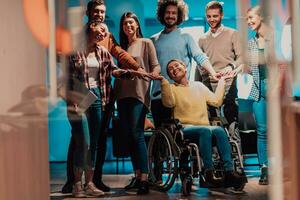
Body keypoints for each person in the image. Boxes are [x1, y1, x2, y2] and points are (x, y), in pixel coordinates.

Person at [62, 0, 152, 193]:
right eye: (96, 11)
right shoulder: (77, 37)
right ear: (88, 12)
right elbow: (66, 70)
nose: (100, 15)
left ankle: (93, 181)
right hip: (81, 94)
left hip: (100, 95)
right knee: (79, 139)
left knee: (96, 140)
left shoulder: (106, 41)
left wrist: (138, 70)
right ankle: (73, 182)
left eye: (103, 12)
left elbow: (118, 59)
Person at [159, 59, 247, 188]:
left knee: (218, 130)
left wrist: (222, 81)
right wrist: (163, 82)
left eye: (177, 65)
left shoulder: (199, 86)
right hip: (185, 129)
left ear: (185, 67)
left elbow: (216, 101)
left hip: (204, 128)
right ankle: (208, 172)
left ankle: (229, 172)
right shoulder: (171, 88)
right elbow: (169, 103)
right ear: (170, 76)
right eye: (170, 69)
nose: (174, 68)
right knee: (205, 130)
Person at [151, 0, 218, 128]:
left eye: (174, 13)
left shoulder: (186, 36)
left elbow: (200, 57)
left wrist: (213, 73)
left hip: (180, 97)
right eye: (167, 12)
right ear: (162, 14)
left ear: (179, 16)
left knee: (182, 139)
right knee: (161, 140)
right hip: (158, 97)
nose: (170, 16)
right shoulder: (153, 40)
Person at [114, 12, 161, 195]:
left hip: (139, 93)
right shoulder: (121, 48)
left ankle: (144, 178)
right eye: (125, 23)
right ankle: (137, 175)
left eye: (131, 22)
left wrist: (154, 75)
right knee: (129, 136)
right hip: (122, 95)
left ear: (137, 24)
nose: (128, 26)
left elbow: (155, 65)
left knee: (137, 134)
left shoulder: (146, 43)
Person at [198, 1, 244, 129]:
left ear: (222, 15)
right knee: (214, 129)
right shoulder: (202, 39)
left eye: (215, 16)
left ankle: (234, 149)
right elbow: (199, 65)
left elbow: (241, 57)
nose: (211, 19)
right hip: (208, 89)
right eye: (209, 16)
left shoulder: (232, 34)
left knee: (232, 127)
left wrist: (230, 67)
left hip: (229, 87)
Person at [246, 5, 272, 185]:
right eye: (247, 19)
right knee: (262, 132)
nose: (249, 22)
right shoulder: (251, 43)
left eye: (251, 18)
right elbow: (248, 67)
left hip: (276, 89)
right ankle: (265, 168)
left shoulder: (275, 38)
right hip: (258, 92)